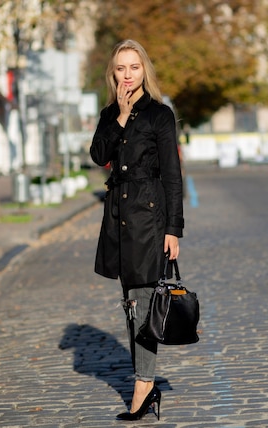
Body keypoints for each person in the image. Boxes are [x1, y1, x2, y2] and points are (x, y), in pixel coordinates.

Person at [90, 39, 184, 421]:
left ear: (144, 70)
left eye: (134, 67)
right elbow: (99, 156)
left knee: (145, 305)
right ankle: (146, 382)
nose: (127, 75)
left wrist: (173, 228)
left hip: (149, 219)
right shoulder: (110, 114)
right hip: (117, 220)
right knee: (131, 307)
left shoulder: (160, 115)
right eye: (120, 69)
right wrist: (121, 118)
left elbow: (173, 177)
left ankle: (143, 387)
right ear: (113, 74)